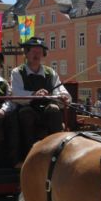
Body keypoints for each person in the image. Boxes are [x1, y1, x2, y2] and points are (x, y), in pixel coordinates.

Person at [10, 36, 71, 166]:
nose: (36, 55)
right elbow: (15, 94)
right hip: (27, 110)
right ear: (26, 53)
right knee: (26, 113)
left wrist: (62, 97)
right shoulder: (17, 72)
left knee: (54, 110)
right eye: (33, 51)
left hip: (46, 111)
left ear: (43, 54)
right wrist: (34, 94)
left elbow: (63, 92)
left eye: (39, 51)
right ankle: (29, 155)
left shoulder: (51, 72)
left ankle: (57, 154)